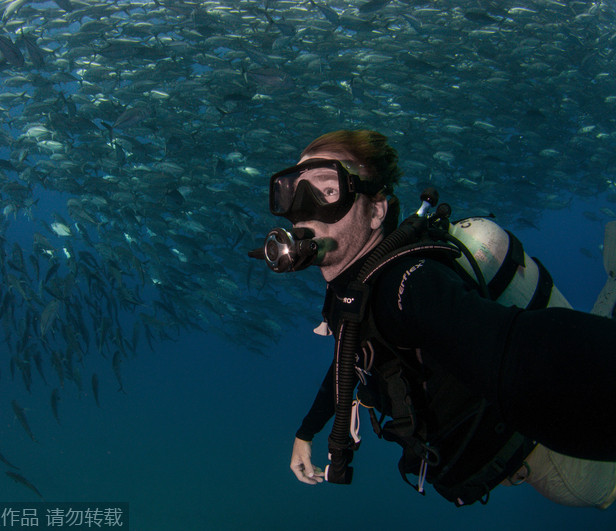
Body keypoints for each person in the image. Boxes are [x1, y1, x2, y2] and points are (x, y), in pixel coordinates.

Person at [257, 130, 616, 508]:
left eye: (328, 191)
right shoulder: (350, 291)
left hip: (559, 464)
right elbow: (352, 359)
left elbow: (520, 352)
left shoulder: (406, 284)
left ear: (376, 210)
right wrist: (306, 432)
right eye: (293, 192)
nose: (305, 207)